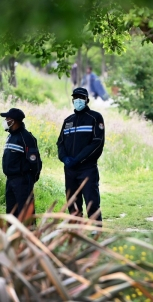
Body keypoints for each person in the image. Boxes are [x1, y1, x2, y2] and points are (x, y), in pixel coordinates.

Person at [57, 87, 105, 223]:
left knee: (92, 200)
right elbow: (60, 143)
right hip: (70, 169)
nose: (78, 100)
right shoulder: (68, 121)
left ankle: (95, 229)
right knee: (72, 201)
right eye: (75, 98)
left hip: (87, 169)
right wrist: (64, 158)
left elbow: (97, 143)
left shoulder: (95, 118)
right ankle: (76, 229)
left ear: (87, 100)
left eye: (81, 98)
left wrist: (78, 159)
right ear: (72, 100)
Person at [0, 108, 41, 219]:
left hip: (22, 180)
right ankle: (12, 235)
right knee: (11, 211)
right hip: (10, 180)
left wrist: (31, 178)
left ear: (15, 121)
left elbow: (35, 162)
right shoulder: (10, 136)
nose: (5, 121)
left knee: (25, 212)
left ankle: (29, 234)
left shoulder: (26, 137)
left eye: (7, 118)